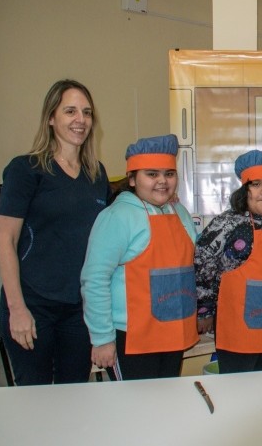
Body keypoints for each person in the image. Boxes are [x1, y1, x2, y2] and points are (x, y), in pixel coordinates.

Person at [0, 79, 110, 385]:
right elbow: (6, 241)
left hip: (77, 308)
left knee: (73, 393)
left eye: (86, 113)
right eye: (70, 111)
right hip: (33, 305)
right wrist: (16, 309)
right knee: (35, 399)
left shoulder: (96, 174)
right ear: (51, 117)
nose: (80, 120)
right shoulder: (25, 170)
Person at [81, 134, 198, 380]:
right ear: (132, 179)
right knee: (136, 410)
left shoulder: (181, 213)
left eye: (169, 173)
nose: (162, 182)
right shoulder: (118, 216)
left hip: (173, 332)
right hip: (132, 339)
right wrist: (102, 339)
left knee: (164, 402)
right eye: (152, 174)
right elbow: (95, 279)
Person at [195, 150, 262, 374]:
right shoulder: (226, 224)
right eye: (256, 184)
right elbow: (201, 266)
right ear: (245, 189)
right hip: (237, 333)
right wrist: (204, 311)